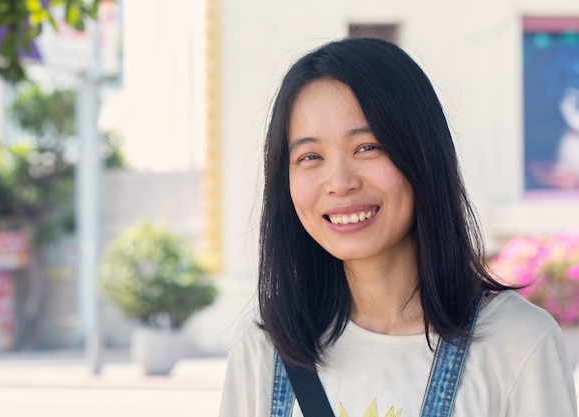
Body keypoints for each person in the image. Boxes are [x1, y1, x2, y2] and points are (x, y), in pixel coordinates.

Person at [218, 37, 577, 417]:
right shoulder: (264, 346)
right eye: (310, 156)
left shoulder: (518, 343)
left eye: (368, 147)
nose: (339, 182)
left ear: (422, 153)